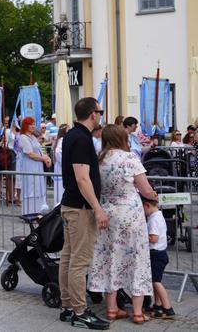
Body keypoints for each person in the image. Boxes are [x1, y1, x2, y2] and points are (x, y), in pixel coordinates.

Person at [87, 124, 157, 324]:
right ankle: (137, 312)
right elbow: (145, 189)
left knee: (111, 258)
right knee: (137, 258)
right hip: (130, 214)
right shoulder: (129, 158)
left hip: (108, 213)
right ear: (121, 138)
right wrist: (154, 196)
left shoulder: (100, 160)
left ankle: (111, 309)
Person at [58, 98, 110, 329]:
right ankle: (79, 311)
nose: (101, 115)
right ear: (92, 114)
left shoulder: (73, 135)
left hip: (72, 206)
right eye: (100, 111)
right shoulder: (80, 138)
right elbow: (82, 177)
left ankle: (68, 306)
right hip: (79, 209)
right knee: (78, 262)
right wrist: (97, 208)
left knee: (68, 258)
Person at [141, 195, 175, 319]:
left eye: (142, 209)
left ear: (147, 205)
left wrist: (141, 235)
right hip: (161, 253)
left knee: (156, 282)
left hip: (155, 254)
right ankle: (158, 305)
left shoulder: (153, 219)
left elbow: (153, 238)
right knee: (155, 281)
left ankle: (168, 307)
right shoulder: (159, 215)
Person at [15, 117, 51, 214]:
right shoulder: (23, 138)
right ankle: (29, 212)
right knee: (31, 187)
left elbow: (39, 150)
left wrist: (47, 158)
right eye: (31, 124)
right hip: (29, 166)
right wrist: (43, 158)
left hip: (38, 166)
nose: (33, 126)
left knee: (38, 187)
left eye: (34, 124)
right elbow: (30, 154)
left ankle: (37, 211)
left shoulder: (34, 137)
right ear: (25, 125)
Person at [52, 124, 69, 207]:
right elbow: (58, 152)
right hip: (61, 167)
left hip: (60, 166)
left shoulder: (60, 139)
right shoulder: (62, 139)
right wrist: (65, 163)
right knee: (60, 188)